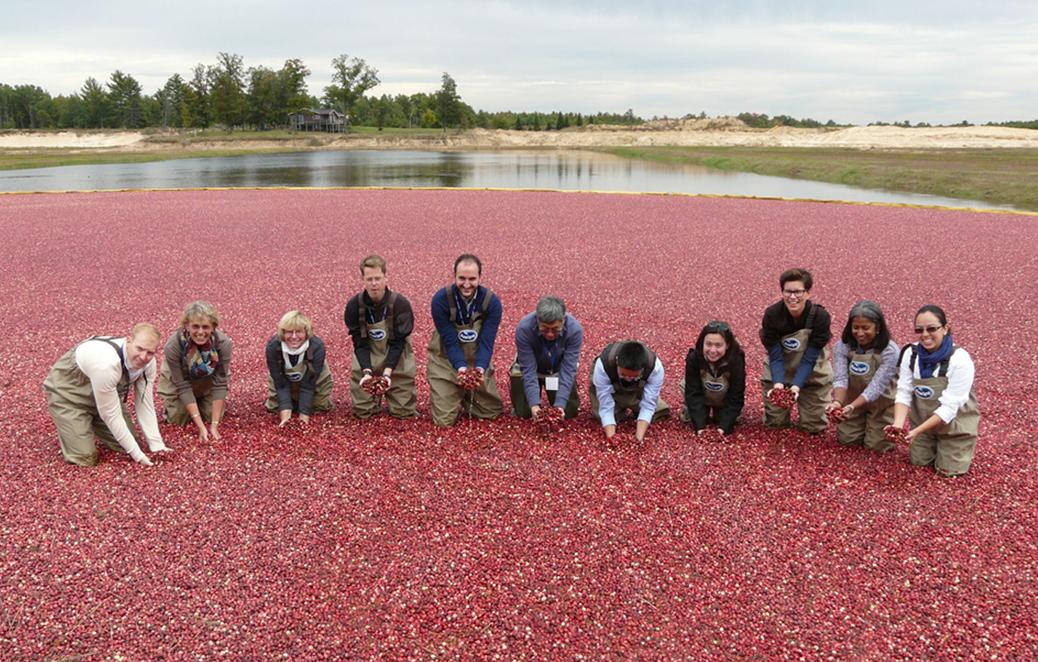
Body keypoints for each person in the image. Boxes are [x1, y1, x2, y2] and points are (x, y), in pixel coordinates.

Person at [43, 323, 170, 467]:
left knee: (129, 444)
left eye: (150, 352)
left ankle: (91, 423)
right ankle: (76, 423)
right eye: (139, 349)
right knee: (85, 458)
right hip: (69, 395)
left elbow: (144, 403)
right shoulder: (107, 363)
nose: (143, 357)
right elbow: (110, 414)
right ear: (129, 341)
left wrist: (157, 445)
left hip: (106, 397)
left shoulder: (148, 364)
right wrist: (138, 456)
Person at [891, 305, 980, 476]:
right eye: (919, 330)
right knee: (919, 462)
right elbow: (903, 391)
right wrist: (898, 425)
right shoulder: (911, 354)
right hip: (922, 424)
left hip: (954, 427)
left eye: (932, 328)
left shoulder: (960, 360)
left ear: (946, 328)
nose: (925, 335)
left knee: (948, 472)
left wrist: (915, 432)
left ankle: (958, 446)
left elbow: (949, 408)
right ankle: (927, 440)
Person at [427, 253, 504, 426]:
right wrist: (461, 368)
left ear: (480, 277)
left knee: (490, 412)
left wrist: (479, 370)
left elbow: (487, 342)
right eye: (462, 278)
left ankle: (468, 396)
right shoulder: (440, 301)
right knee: (443, 421)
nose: (467, 284)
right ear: (454, 276)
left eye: (472, 279)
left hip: (476, 359)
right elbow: (450, 341)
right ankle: (452, 391)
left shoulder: (492, 302)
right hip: (445, 361)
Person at [760, 268, 833, 434]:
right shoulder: (772, 315)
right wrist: (778, 384)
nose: (792, 297)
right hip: (780, 369)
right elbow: (775, 356)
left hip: (813, 373)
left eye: (798, 292)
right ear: (782, 292)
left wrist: (795, 387)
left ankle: (810, 408)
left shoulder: (820, 317)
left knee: (812, 428)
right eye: (788, 291)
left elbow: (810, 358)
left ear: (808, 293)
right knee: (776, 423)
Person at [344, 255, 417, 419]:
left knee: (403, 412)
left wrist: (387, 374)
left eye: (377, 278)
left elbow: (399, 343)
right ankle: (368, 391)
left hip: (397, 359)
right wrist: (367, 372)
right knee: (363, 411)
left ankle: (398, 394)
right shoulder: (354, 306)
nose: (374, 283)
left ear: (386, 277)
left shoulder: (400, 304)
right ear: (363, 279)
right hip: (368, 354)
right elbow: (359, 343)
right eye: (369, 279)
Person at [825, 301, 899, 451]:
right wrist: (838, 403)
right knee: (847, 440)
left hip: (881, 403)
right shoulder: (843, 346)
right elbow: (840, 378)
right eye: (855, 327)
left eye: (866, 328)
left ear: (878, 328)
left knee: (877, 447)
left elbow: (876, 387)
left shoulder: (890, 351)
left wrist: (851, 406)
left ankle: (877, 424)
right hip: (851, 399)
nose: (859, 333)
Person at [158, 300, 232, 441]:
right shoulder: (173, 346)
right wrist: (200, 426)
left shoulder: (223, 344)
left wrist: (214, 425)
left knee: (213, 416)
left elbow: (220, 383)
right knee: (177, 420)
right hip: (180, 382)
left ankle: (202, 401)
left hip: (208, 381)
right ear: (186, 325)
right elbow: (182, 385)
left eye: (205, 327)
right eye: (195, 327)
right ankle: (178, 405)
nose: (200, 332)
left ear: (213, 327)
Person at [510, 296, 583, 420]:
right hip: (532, 368)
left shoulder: (574, 330)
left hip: (557, 370)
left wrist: (560, 405)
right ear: (537, 320)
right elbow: (528, 370)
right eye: (544, 329)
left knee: (569, 413)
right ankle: (523, 400)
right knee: (524, 413)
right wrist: (534, 406)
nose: (550, 334)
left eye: (556, 329)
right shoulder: (524, 329)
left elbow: (568, 369)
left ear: (563, 320)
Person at [589, 340, 669, 444]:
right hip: (612, 386)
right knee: (603, 417)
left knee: (657, 413)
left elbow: (648, 405)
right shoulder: (603, 365)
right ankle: (621, 407)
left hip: (638, 388)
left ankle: (629, 402)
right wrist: (612, 438)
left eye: (634, 376)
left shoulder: (655, 368)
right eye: (624, 374)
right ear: (617, 362)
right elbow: (605, 405)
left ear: (643, 368)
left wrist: (638, 439)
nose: (628, 378)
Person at [265, 310, 334, 425]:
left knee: (318, 407)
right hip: (282, 380)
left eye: (299, 332)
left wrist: (303, 421)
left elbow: (308, 385)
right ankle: (290, 404)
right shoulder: (273, 347)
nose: (294, 337)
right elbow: (280, 384)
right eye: (289, 332)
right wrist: (286, 420)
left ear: (307, 333)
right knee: (274, 407)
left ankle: (300, 405)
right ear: (282, 333)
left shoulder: (317, 347)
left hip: (313, 381)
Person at [681, 321, 745, 436]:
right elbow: (693, 391)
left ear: (728, 345)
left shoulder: (736, 360)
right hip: (702, 392)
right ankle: (698, 412)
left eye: (718, 345)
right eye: (708, 344)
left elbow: (736, 394)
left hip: (724, 396)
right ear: (702, 343)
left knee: (728, 421)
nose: (713, 350)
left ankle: (721, 413)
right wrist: (700, 427)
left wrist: (723, 428)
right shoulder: (694, 358)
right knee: (691, 417)